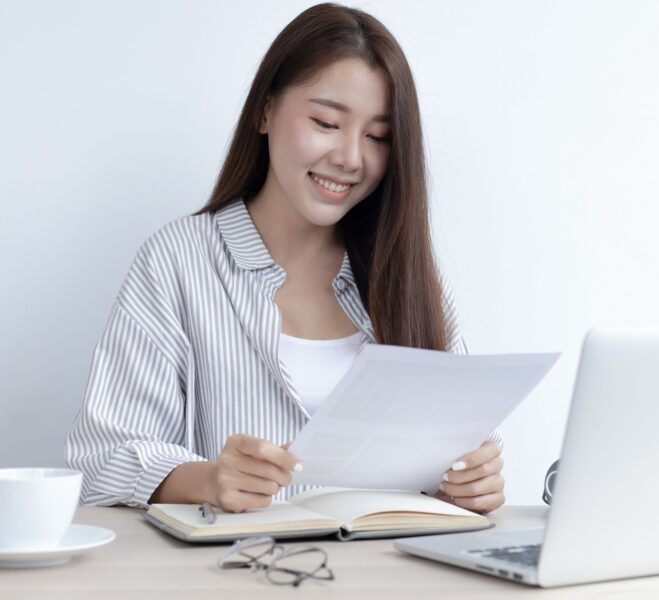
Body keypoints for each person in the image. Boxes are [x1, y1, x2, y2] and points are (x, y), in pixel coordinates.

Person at [65, 3, 504, 514]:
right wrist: (209, 480)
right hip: (242, 577)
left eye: (378, 136)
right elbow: (102, 459)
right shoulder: (178, 261)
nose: (351, 157)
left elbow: (467, 446)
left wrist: (473, 481)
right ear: (265, 110)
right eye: (326, 122)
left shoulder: (401, 271)